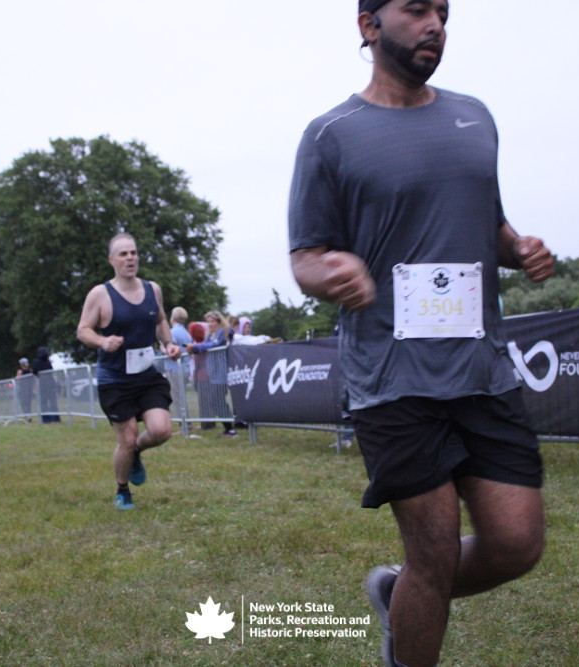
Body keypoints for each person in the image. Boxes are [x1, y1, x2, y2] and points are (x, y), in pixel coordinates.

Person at [288, 2, 555, 665]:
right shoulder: (331, 135)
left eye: (442, 10)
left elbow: (490, 224)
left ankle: (398, 591)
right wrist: (333, 271)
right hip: (392, 379)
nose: (435, 23)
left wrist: (519, 248)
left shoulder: (475, 117)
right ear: (369, 25)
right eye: (415, 8)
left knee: (517, 543)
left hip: (482, 370)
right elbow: (305, 259)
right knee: (433, 552)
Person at [76, 232, 182, 510]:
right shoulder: (100, 294)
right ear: (112, 260)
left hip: (146, 375)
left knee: (161, 430)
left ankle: (135, 452)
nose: (130, 258)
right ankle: (122, 491)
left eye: (133, 252)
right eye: (123, 254)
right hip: (115, 380)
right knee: (127, 436)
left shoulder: (152, 289)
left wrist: (169, 343)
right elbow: (83, 330)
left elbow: (160, 320)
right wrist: (103, 341)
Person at [186, 310, 237, 437]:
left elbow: (214, 345)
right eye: (208, 321)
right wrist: (193, 347)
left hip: (222, 372)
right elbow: (205, 344)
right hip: (214, 373)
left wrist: (195, 348)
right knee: (216, 401)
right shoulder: (212, 334)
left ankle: (230, 429)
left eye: (213, 321)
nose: (210, 324)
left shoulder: (223, 332)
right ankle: (229, 428)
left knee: (217, 401)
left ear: (220, 322)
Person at [32, 347, 61, 424]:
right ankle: (56, 418)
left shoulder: (36, 362)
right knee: (53, 401)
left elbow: (35, 372)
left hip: (42, 383)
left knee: (43, 402)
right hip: (51, 383)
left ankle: (46, 419)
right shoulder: (48, 362)